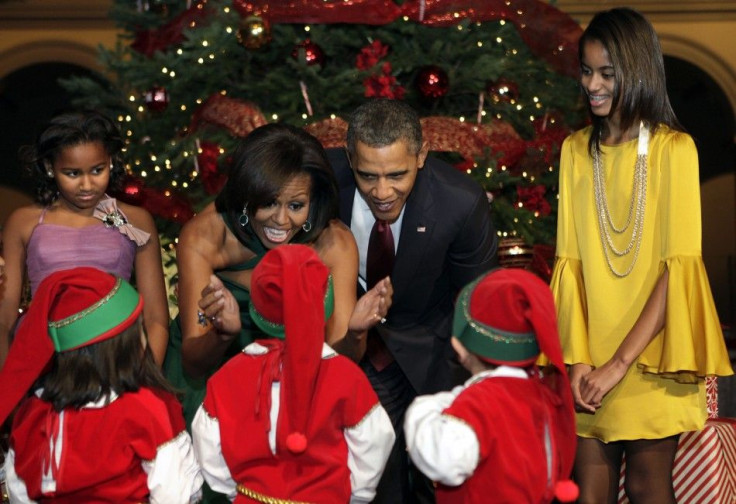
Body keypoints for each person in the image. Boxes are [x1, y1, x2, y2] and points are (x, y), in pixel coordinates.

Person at [552, 8, 733, 503]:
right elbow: (569, 268)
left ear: (638, 71)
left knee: (650, 489)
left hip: (653, 358)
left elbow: (679, 271)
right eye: (587, 71)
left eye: (607, 74)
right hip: (589, 359)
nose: (592, 84)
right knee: (589, 494)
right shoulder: (573, 151)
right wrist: (578, 365)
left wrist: (618, 365)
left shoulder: (676, 150)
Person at [164, 122, 391, 429]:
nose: (282, 221)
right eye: (268, 202)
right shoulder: (206, 237)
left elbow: (341, 360)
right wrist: (222, 333)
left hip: (297, 375)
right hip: (214, 376)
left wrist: (356, 333)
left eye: (296, 206)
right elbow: (193, 363)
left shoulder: (333, 242)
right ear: (247, 194)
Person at [326, 98, 498, 503]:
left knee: (434, 484)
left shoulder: (460, 202)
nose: (382, 192)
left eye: (397, 175)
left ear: (421, 155)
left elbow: (478, 301)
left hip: (432, 346)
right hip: (350, 346)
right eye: (368, 175)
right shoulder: (323, 181)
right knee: (370, 481)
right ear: (349, 158)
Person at [192, 244, 395, 503]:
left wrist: (241, 491)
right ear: (324, 307)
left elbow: (207, 444)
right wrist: (352, 494)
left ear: (258, 310)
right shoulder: (345, 375)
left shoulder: (229, 375)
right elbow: (375, 440)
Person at [0, 267, 203, 503]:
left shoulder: (32, 415)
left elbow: (19, 493)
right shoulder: (147, 407)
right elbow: (176, 493)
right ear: (122, 348)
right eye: (139, 329)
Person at [0, 110, 169, 368]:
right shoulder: (25, 222)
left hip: (117, 359)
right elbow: (5, 316)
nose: (87, 184)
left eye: (97, 170)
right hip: (43, 359)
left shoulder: (134, 221)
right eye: (72, 173)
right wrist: (10, 383)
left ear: (111, 162)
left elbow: (156, 318)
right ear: (49, 168)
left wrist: (144, 380)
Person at [404, 268, 578, 503]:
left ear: (460, 346)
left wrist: (420, 411)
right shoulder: (543, 394)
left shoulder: (477, 403)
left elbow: (443, 461)